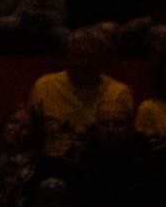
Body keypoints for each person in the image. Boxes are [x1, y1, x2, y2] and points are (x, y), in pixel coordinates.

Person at [27, 27, 135, 161]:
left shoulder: (119, 92)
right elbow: (31, 135)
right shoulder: (44, 86)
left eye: (91, 57)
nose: (84, 63)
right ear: (67, 57)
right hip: (53, 165)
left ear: (103, 60)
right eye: (78, 56)